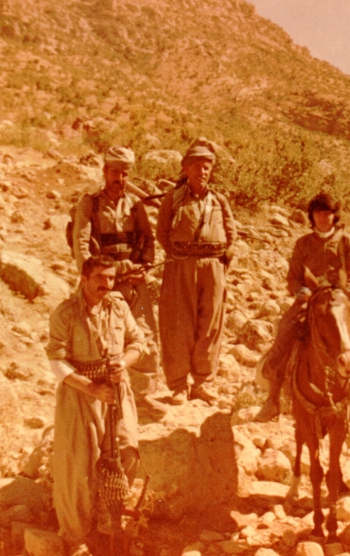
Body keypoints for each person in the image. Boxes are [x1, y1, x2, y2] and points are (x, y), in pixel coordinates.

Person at [255, 192, 350, 422]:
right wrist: (301, 292)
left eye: (328, 214)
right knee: (285, 331)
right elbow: (293, 278)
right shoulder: (303, 244)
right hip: (310, 300)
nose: (323, 218)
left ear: (334, 216)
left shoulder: (345, 241)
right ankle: (273, 399)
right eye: (318, 213)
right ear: (312, 216)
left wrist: (343, 293)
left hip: (341, 300)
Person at [46, 255, 148, 554]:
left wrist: (123, 364)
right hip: (80, 394)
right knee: (80, 466)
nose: (107, 285)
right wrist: (92, 388)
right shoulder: (65, 314)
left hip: (117, 391)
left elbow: (138, 342)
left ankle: (109, 517)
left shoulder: (119, 307)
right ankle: (75, 535)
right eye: (100, 279)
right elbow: (56, 361)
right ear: (84, 279)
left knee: (127, 450)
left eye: (112, 279)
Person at [71, 146, 168, 421]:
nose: (120, 178)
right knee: (98, 341)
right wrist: (97, 277)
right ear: (105, 172)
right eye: (115, 172)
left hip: (133, 284)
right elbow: (81, 244)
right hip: (102, 285)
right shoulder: (89, 204)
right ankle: (98, 398)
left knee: (144, 336)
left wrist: (144, 266)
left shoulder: (135, 205)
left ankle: (143, 398)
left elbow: (147, 241)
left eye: (125, 174)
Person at [156, 138, 235, 405]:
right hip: (181, 265)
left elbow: (231, 234)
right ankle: (178, 386)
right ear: (186, 169)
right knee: (179, 325)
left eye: (207, 167)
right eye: (198, 166)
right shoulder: (174, 199)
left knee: (210, 325)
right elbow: (162, 234)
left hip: (213, 267)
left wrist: (219, 261)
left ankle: (202, 383)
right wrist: (181, 255)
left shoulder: (219, 200)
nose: (203, 172)